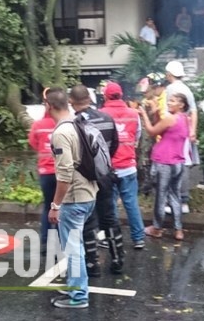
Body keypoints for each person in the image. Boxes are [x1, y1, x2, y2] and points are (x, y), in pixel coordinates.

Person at [46, 87, 97, 309]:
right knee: (77, 245)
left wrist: (55, 205)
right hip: (89, 192)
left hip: (74, 198)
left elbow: (64, 173)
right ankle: (76, 285)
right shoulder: (79, 123)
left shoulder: (61, 133)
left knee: (73, 248)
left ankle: (79, 296)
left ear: (49, 106)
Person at [69, 84, 124, 276]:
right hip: (106, 175)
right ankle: (117, 259)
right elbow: (115, 145)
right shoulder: (107, 119)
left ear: (71, 102)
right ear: (90, 99)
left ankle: (92, 263)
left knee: (87, 220)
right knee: (109, 217)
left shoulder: (73, 124)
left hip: (85, 178)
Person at [100, 82, 146, 250]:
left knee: (109, 204)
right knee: (131, 202)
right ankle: (138, 238)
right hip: (128, 165)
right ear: (121, 95)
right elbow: (137, 137)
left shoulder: (100, 114)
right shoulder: (134, 114)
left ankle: (109, 238)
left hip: (108, 168)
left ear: (105, 96)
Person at [139, 93, 190, 241]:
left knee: (161, 196)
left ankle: (157, 228)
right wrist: (155, 112)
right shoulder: (185, 119)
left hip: (164, 161)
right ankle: (178, 230)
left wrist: (144, 114)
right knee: (175, 195)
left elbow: (151, 131)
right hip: (178, 162)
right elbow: (160, 129)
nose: (169, 103)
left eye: (173, 101)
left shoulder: (170, 118)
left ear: (181, 105)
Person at [165, 60, 198, 214]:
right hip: (185, 130)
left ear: (169, 74)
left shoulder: (170, 89)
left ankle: (169, 200)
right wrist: (193, 130)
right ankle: (184, 201)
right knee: (183, 163)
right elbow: (194, 111)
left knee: (169, 164)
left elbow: (165, 111)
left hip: (172, 131)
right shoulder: (187, 89)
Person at [28, 92, 57, 250]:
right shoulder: (64, 122)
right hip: (62, 172)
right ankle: (59, 242)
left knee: (48, 206)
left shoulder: (38, 125)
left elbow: (33, 143)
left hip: (45, 171)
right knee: (60, 207)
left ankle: (45, 242)